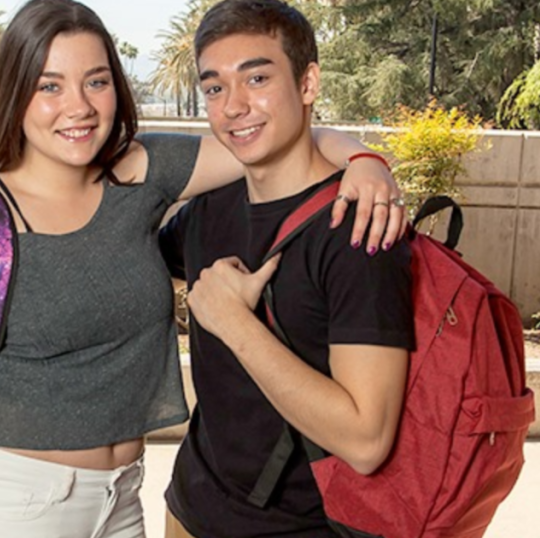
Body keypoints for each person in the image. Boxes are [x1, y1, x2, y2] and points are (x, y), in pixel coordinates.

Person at [0, 0, 404, 537]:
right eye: (49, 86)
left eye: (95, 82)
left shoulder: (137, 175)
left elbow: (271, 139)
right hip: (15, 503)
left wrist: (366, 160)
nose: (78, 106)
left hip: (123, 500)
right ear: (15, 93)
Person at [158, 1, 415, 537]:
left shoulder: (358, 231)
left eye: (256, 77)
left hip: (299, 527)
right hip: (189, 509)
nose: (233, 106)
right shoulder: (209, 209)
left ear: (308, 83)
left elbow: (367, 440)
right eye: (214, 88)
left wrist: (232, 323)